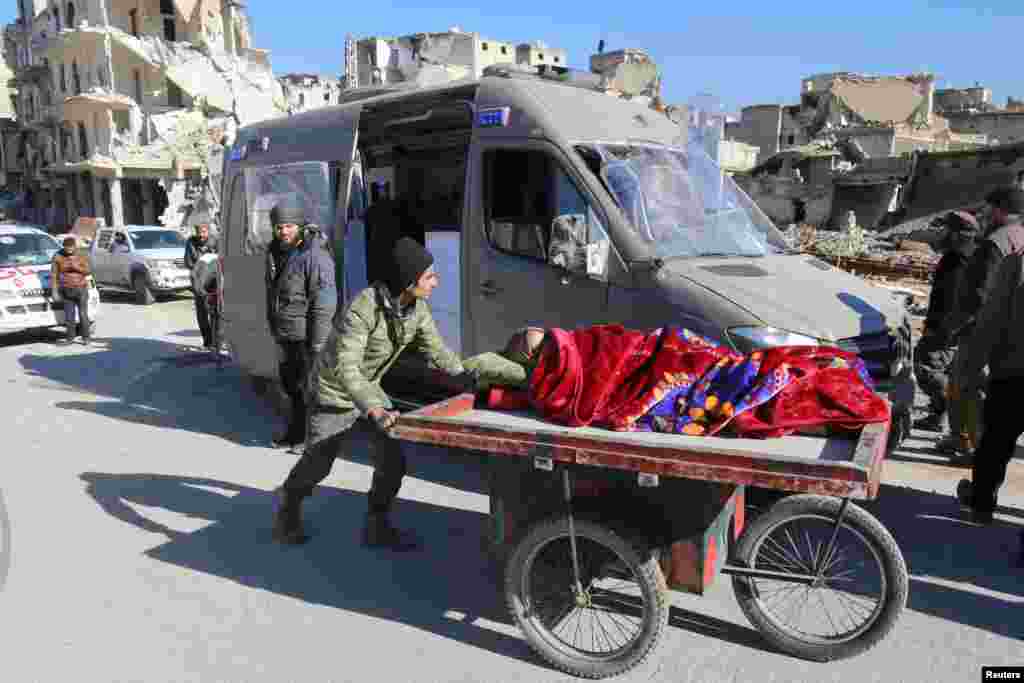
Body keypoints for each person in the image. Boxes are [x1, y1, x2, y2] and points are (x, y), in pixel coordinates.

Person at [273, 237, 475, 550]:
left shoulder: (417, 309)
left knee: (393, 463)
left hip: (369, 387)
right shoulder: (363, 308)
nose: (436, 282)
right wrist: (375, 409)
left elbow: (437, 351)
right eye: (429, 276)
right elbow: (347, 368)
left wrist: (469, 376)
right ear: (408, 282)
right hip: (334, 391)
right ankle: (289, 504)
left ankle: (376, 524)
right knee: (318, 464)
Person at [938, 187, 1024, 460]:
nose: (983, 213)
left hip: (981, 329)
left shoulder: (995, 242)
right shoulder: (1019, 238)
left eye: (987, 207)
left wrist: (959, 327)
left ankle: (973, 447)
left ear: (999, 209)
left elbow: (981, 294)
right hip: (1010, 329)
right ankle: (963, 440)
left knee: (970, 387)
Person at [955, 251, 1024, 531]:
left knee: (996, 441)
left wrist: (971, 367)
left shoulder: (1017, 262)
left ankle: (981, 505)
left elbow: (992, 319)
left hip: (1013, 372)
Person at [265, 202, 337, 453]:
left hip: (306, 336)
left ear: (300, 226)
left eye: (289, 226)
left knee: (310, 390)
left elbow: (324, 302)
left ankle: (311, 440)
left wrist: (318, 342)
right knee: (292, 388)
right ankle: (294, 434)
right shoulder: (277, 252)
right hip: (286, 334)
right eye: (279, 227)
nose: (283, 231)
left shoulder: (315, 255)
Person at [913, 211, 979, 433]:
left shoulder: (958, 260)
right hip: (952, 326)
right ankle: (939, 414)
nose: (940, 234)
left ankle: (946, 413)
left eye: (945, 230)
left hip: (945, 328)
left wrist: (940, 329)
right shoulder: (966, 255)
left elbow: (952, 298)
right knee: (943, 371)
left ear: (956, 234)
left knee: (927, 368)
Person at [51, 236, 92, 346]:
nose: (69, 249)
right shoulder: (57, 256)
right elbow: (54, 275)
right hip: (66, 289)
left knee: (83, 314)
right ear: (63, 246)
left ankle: (86, 337)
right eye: (67, 247)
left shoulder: (82, 254)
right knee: (69, 315)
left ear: (75, 246)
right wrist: (54, 291)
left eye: (71, 247)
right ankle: (70, 338)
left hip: (81, 289)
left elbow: (88, 271)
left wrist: (76, 267)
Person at [184, 223, 218, 350]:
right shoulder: (191, 242)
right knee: (202, 313)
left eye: (203, 232)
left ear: (208, 231)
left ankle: (216, 341)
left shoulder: (216, 241)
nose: (201, 235)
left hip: (214, 282)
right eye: (199, 232)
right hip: (198, 280)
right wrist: (200, 267)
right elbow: (188, 262)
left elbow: (221, 260)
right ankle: (208, 341)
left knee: (215, 312)